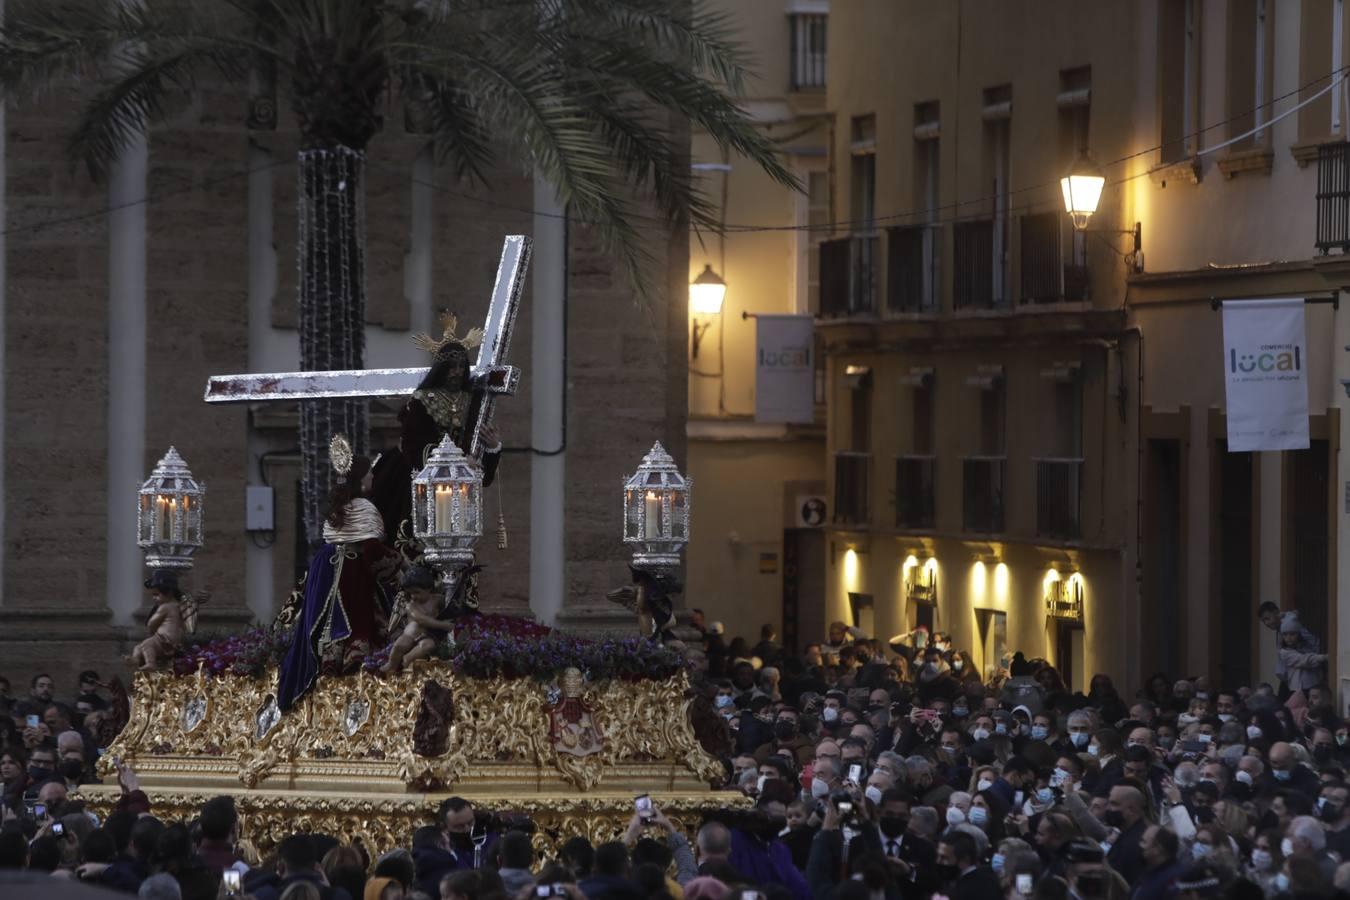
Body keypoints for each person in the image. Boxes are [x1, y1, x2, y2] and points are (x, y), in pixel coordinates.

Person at [278, 439, 402, 711]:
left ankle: (332, 655)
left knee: (332, 612)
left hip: (328, 566)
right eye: (370, 473)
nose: (373, 477)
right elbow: (371, 548)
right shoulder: (365, 507)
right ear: (360, 480)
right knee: (359, 615)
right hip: (354, 571)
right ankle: (354, 656)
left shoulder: (340, 506)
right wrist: (397, 562)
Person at [370, 315, 504, 544]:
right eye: (451, 367)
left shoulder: (472, 403)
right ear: (441, 369)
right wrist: (459, 464)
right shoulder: (422, 401)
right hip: (420, 483)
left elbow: (480, 467)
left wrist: (492, 447)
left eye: (462, 367)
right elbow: (415, 447)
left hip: (460, 494)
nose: (457, 373)